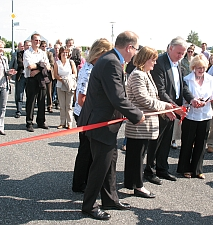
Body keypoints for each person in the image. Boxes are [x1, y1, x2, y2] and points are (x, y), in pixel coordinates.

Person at [78, 31, 145, 220]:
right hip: (100, 124)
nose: (136, 52)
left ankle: (110, 199)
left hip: (105, 124)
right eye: (136, 48)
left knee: (110, 163)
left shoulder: (111, 59)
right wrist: (137, 115)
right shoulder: (111, 62)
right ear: (129, 47)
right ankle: (89, 206)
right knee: (100, 166)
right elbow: (117, 97)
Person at [144, 37, 198, 184]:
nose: (181, 55)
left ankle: (162, 168)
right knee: (155, 141)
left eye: (183, 53)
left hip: (173, 109)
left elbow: (182, 86)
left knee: (166, 140)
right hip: (162, 108)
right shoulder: (160, 63)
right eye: (179, 52)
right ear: (170, 48)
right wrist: (174, 107)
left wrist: (192, 99)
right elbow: (161, 90)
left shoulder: (178, 64)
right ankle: (149, 170)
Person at [124, 46, 172, 198]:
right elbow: (143, 99)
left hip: (144, 124)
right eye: (153, 60)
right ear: (145, 59)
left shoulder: (145, 74)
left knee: (137, 155)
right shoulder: (138, 75)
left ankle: (132, 182)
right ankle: (138, 186)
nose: (155, 63)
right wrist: (164, 106)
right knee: (137, 156)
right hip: (140, 125)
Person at [72, 38, 113, 193]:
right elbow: (81, 99)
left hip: (89, 114)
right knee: (86, 151)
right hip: (86, 115)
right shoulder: (89, 70)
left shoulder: (93, 68)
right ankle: (79, 183)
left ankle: (84, 180)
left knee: (88, 150)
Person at [177, 54, 213, 179]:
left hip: (205, 114)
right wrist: (194, 100)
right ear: (193, 67)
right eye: (198, 67)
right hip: (190, 115)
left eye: (203, 67)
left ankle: (197, 169)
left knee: (201, 143)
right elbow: (185, 94)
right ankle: (185, 168)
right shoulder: (187, 79)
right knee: (187, 142)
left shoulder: (210, 79)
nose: (201, 70)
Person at [23, 33, 50, 132]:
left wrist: (38, 69)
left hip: (41, 78)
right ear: (31, 41)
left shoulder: (43, 53)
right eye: (36, 40)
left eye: (39, 40)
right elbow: (30, 66)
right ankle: (29, 122)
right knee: (31, 101)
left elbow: (48, 66)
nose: (37, 42)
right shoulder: (27, 53)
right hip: (31, 80)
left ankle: (41, 121)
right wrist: (41, 66)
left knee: (42, 100)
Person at [53, 47, 77, 129]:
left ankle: (69, 122)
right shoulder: (57, 63)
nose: (65, 54)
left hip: (69, 85)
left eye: (66, 52)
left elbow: (75, 73)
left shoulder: (71, 62)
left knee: (69, 105)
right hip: (60, 85)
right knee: (62, 105)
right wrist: (62, 80)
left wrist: (68, 78)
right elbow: (55, 75)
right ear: (60, 54)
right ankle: (62, 122)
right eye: (63, 52)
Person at [13, 40, 31, 118]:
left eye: (29, 45)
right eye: (27, 45)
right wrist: (29, 64)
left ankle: (28, 110)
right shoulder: (19, 53)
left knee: (29, 95)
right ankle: (19, 110)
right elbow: (20, 63)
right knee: (19, 94)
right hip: (21, 76)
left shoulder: (33, 54)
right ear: (24, 46)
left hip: (30, 76)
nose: (28, 47)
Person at [40, 41, 55, 113]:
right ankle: (41, 106)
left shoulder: (49, 54)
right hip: (40, 75)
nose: (44, 48)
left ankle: (49, 106)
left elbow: (52, 63)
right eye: (42, 46)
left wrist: (44, 66)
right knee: (41, 92)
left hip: (48, 75)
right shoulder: (38, 54)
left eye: (45, 46)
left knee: (49, 91)